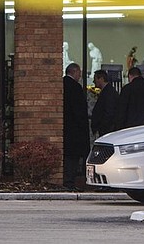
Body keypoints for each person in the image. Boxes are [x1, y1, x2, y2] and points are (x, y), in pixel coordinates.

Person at [63, 62, 90, 191]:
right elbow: (80, 111)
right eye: (79, 73)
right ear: (74, 72)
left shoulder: (61, 85)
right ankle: (70, 182)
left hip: (65, 127)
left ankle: (67, 180)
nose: (80, 76)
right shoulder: (75, 87)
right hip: (74, 130)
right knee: (73, 158)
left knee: (67, 156)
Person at [90, 69, 120, 137]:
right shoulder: (108, 91)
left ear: (101, 79)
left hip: (107, 130)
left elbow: (109, 112)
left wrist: (102, 127)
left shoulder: (108, 93)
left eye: (95, 79)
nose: (93, 81)